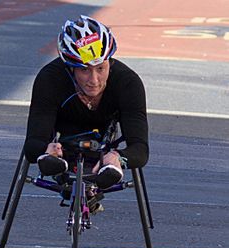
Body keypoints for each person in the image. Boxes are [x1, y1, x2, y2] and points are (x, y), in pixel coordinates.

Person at [24, 15, 149, 212]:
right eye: (84, 70)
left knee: (112, 161)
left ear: (109, 61)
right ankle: (58, 166)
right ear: (70, 68)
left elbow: (140, 149)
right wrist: (45, 151)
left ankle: (106, 171)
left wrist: (118, 157)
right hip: (63, 135)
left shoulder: (128, 83)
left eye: (101, 68)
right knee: (47, 157)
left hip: (104, 135)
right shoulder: (50, 79)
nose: (94, 80)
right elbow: (32, 144)